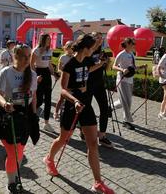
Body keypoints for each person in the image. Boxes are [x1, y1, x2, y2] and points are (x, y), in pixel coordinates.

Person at [43, 34, 115, 194]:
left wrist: (102, 60)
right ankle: (49, 159)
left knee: (93, 144)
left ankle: (97, 182)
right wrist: (74, 100)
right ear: (85, 49)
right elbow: (62, 90)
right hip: (71, 106)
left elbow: (90, 66)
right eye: (92, 48)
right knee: (64, 138)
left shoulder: (87, 60)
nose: (93, 51)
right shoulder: (69, 64)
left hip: (86, 106)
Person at [0, 44, 38, 193]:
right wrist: (5, 104)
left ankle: (15, 173)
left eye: (29, 56)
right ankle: (11, 181)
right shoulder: (6, 72)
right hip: (8, 114)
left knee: (20, 149)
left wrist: (34, 114)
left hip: (25, 116)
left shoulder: (32, 74)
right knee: (13, 152)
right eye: (24, 56)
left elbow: (34, 96)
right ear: (15, 56)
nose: (27, 59)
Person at [112, 38, 147, 130]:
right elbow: (114, 66)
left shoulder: (131, 54)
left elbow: (133, 67)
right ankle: (126, 121)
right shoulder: (121, 54)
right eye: (132, 43)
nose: (134, 45)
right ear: (127, 44)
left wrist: (141, 67)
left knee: (123, 101)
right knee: (127, 101)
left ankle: (110, 107)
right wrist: (122, 70)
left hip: (130, 80)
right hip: (122, 80)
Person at [86, 32, 113, 148]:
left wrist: (106, 62)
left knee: (104, 108)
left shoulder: (102, 52)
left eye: (101, 38)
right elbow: (88, 69)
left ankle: (102, 136)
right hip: (88, 84)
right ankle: (83, 131)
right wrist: (100, 63)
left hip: (99, 84)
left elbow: (104, 68)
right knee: (86, 109)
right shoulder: (87, 52)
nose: (100, 40)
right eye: (97, 38)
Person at [31, 34, 58, 132]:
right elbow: (31, 64)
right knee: (39, 100)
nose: (49, 41)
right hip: (38, 73)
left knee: (48, 99)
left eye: (50, 39)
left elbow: (49, 64)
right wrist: (35, 76)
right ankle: (31, 115)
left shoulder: (49, 51)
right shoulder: (36, 50)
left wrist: (54, 73)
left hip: (46, 74)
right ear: (42, 40)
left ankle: (46, 123)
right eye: (47, 39)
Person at [54, 41, 74, 120]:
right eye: (69, 48)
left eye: (72, 48)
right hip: (64, 78)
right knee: (62, 97)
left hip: (72, 79)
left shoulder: (74, 57)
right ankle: (56, 112)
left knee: (71, 96)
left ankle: (69, 114)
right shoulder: (63, 57)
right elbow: (59, 69)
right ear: (66, 48)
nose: (71, 50)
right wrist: (64, 72)